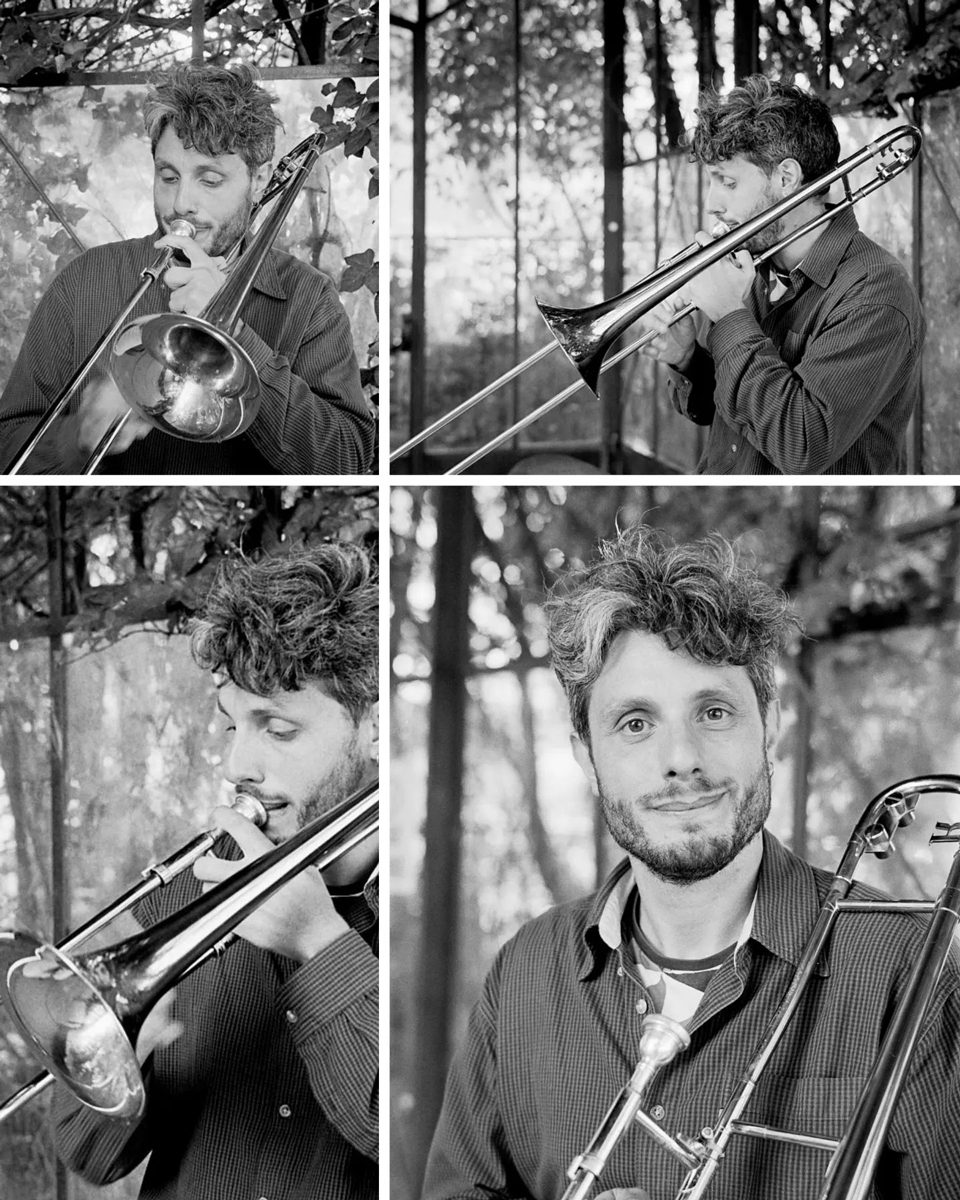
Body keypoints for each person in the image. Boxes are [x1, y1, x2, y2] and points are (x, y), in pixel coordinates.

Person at [422, 525, 960, 1200]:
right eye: (635, 723)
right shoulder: (524, 973)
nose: (681, 758)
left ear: (773, 730)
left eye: (713, 711)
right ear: (586, 755)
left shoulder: (911, 969)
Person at [51, 543, 379, 1199]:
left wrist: (320, 945)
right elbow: (86, 1155)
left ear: (372, 729)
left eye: (276, 729)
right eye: (232, 725)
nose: (237, 765)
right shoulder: (180, 893)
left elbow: (404, 1135)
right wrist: (125, 1056)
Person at [0, 63, 375, 475]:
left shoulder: (309, 297)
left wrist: (236, 337)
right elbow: (8, 444)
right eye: (168, 175)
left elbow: (347, 461)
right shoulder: (85, 280)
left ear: (259, 178)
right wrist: (78, 437)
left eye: (209, 180)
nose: (181, 203)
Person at [640, 76, 924, 475]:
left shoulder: (876, 294)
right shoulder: (753, 266)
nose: (712, 204)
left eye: (728, 182)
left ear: (787, 178)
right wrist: (688, 360)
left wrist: (729, 318)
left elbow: (801, 444)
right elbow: (733, 415)